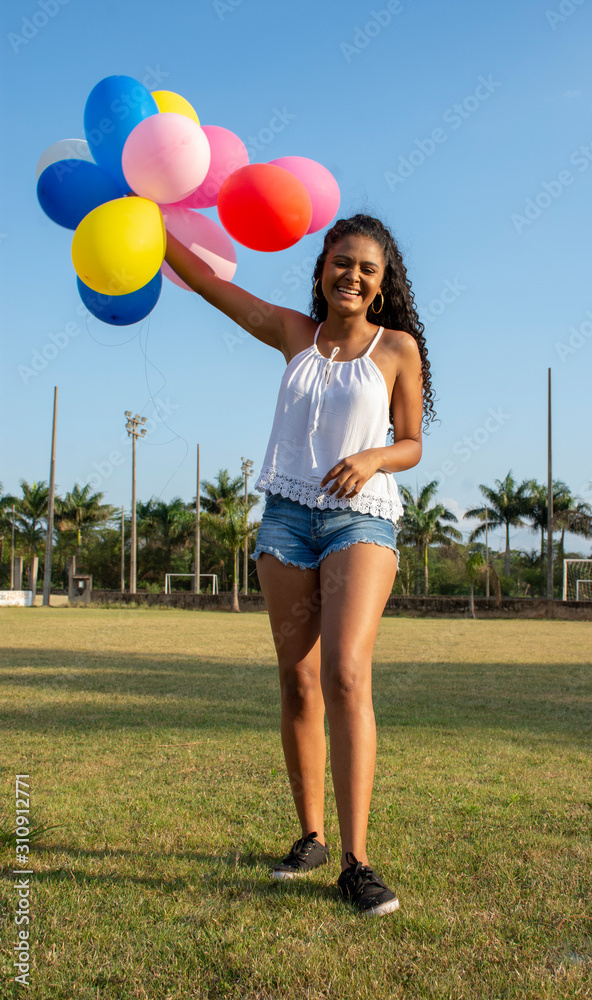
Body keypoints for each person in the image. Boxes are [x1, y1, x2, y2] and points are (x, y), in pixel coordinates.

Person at [164, 213, 435, 916]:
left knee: (345, 671)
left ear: (380, 286)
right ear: (321, 270)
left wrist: (373, 456)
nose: (351, 275)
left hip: (361, 517)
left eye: (366, 269)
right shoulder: (292, 334)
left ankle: (357, 861)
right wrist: (145, 219)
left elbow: (410, 443)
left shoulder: (396, 347)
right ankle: (310, 836)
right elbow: (203, 284)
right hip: (285, 519)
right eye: (340, 263)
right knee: (298, 679)